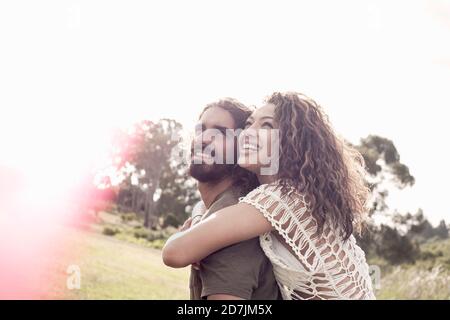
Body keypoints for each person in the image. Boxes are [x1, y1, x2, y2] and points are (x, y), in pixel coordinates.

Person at [163, 92, 376, 300]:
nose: (248, 133)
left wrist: (197, 226)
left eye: (266, 126)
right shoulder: (296, 195)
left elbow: (174, 252)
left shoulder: (281, 199)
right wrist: (200, 218)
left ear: (291, 142)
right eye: (248, 124)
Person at [175, 98, 281, 300]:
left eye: (221, 133)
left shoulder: (232, 228)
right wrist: (198, 219)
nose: (203, 139)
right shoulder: (220, 210)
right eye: (200, 129)